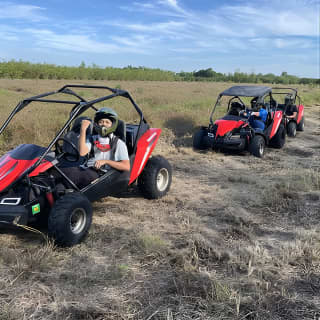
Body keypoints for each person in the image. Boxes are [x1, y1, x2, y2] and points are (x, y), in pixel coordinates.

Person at [59, 107, 130, 189]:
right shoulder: (92, 138)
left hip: (101, 175)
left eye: (107, 122)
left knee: (72, 176)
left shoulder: (118, 143)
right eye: (101, 122)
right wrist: (83, 130)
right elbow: (82, 152)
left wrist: (106, 161)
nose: (104, 124)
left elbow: (126, 166)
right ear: (96, 124)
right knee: (59, 173)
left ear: (113, 125)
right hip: (86, 168)